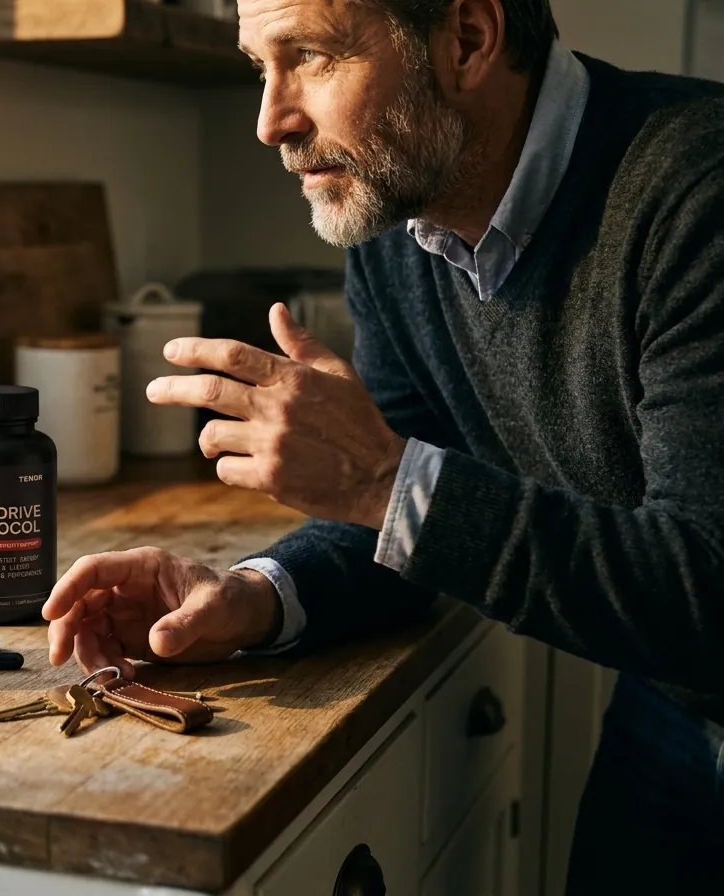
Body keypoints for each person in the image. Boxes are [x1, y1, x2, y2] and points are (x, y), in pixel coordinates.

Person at [41, 0, 724, 890]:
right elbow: (408, 513)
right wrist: (253, 596)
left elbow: (708, 586)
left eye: (313, 57)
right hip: (669, 705)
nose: (270, 121)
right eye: (260, 67)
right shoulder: (397, 232)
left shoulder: (698, 190)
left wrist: (378, 475)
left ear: (467, 40)